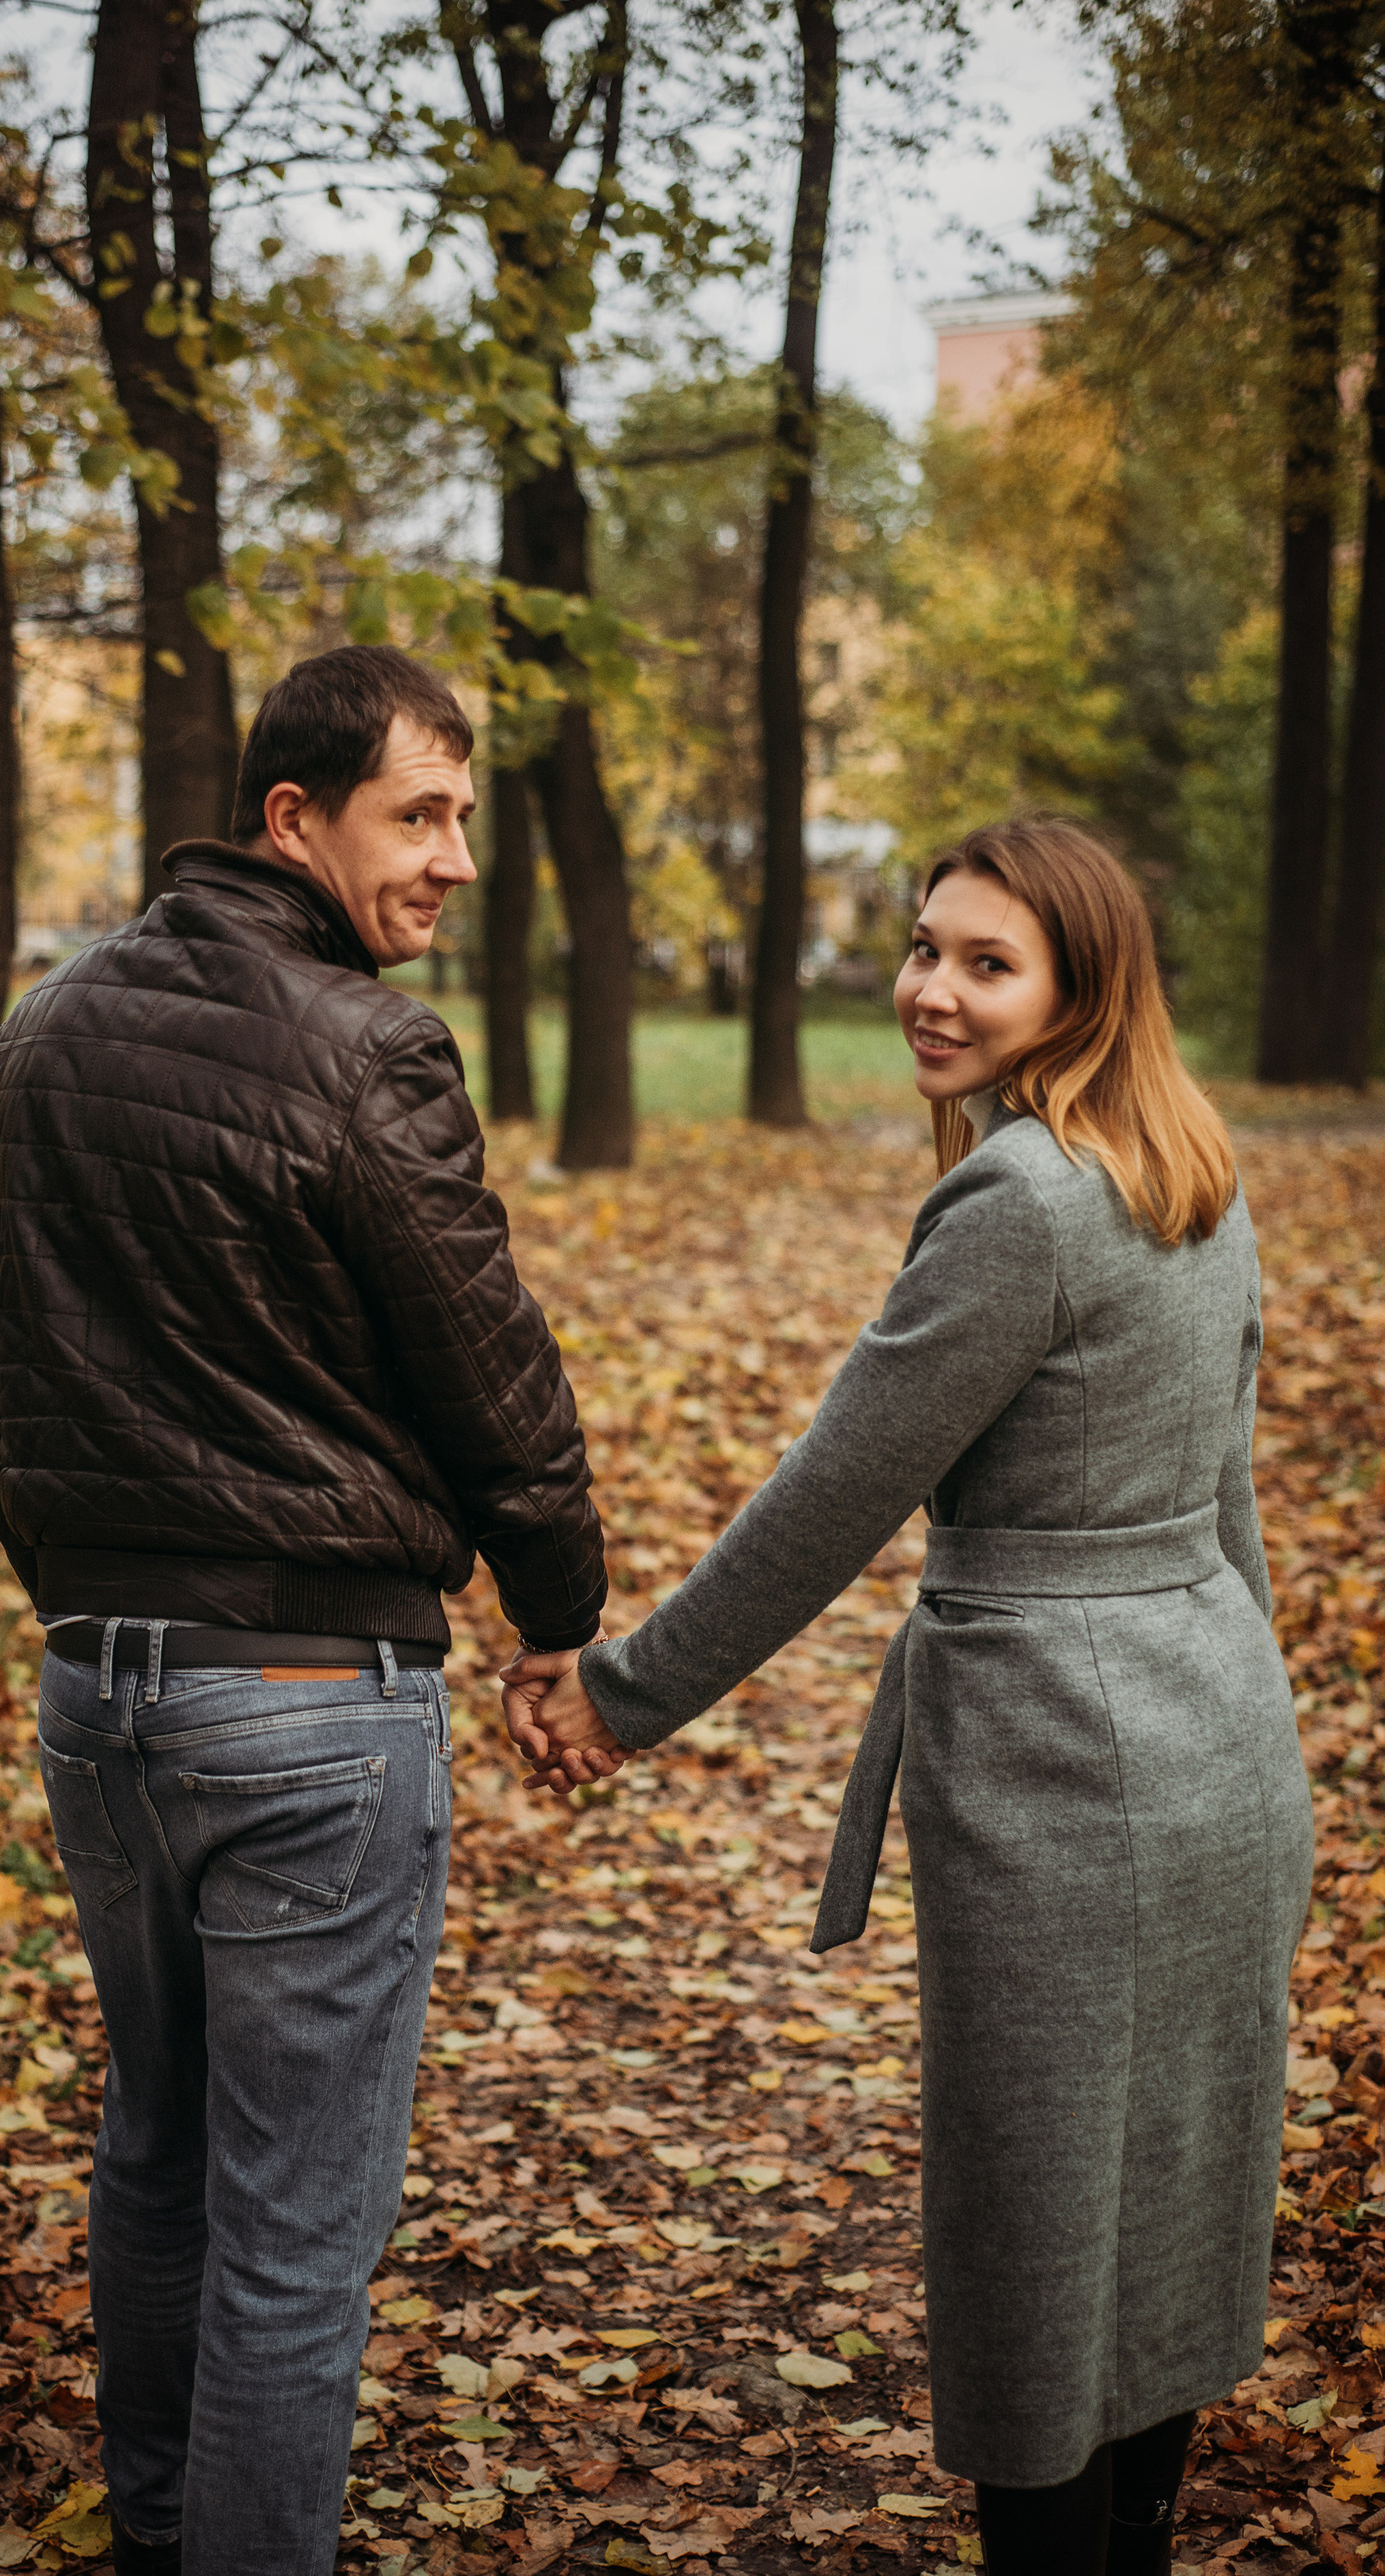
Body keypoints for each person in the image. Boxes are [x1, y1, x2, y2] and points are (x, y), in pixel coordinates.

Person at [502, 816, 1312, 2576]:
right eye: (927, 944)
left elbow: (833, 1493)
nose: (932, 988)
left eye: (986, 962)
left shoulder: (1019, 1201)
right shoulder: (1194, 1168)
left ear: (1080, 996)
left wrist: (623, 1696)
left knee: (1040, 2237)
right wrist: (1269, 1727)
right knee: (1164, 2211)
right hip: (1222, 1744)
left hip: (1064, 1772)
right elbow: (1224, 1496)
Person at [0, 645, 605, 2576]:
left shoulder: (40, 1028)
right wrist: (559, 1617)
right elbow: (496, 1382)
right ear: (291, 819)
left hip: (105, 1710)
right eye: (421, 812)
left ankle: (165, 2538)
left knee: (157, 2156)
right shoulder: (363, 1045)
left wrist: (97, 1584)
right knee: (295, 2237)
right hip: (315, 1704)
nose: (457, 855)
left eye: (466, 813)